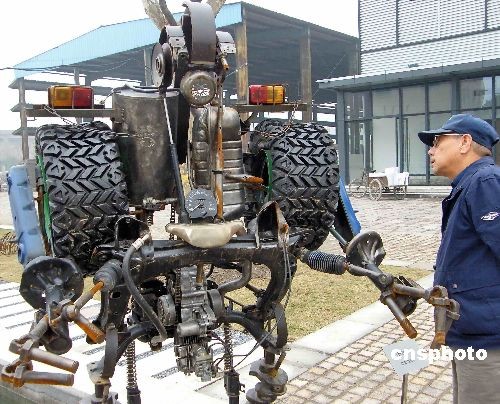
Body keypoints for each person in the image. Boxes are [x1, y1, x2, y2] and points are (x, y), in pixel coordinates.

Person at [418, 114, 500, 404]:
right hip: (470, 330)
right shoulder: (469, 185)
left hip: (488, 337)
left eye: (437, 141)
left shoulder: (485, 182)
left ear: (465, 142)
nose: (431, 150)